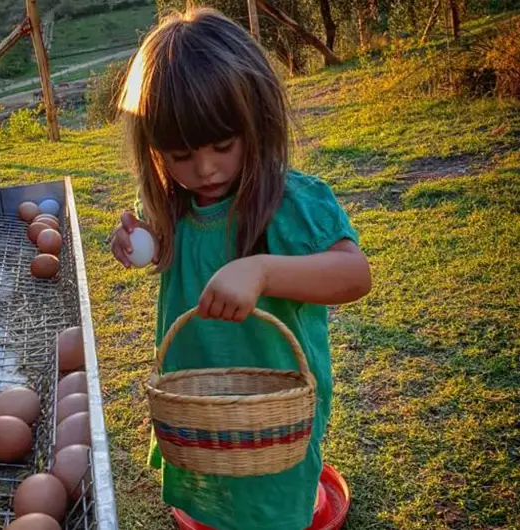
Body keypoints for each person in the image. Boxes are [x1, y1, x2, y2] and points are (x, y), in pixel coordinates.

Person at [110, 7, 372, 530]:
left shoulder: (290, 202)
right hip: (199, 400)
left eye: (222, 146)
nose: (204, 169)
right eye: (180, 155)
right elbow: (162, 249)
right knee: (212, 476)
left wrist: (263, 272)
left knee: (271, 492)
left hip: (274, 407)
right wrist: (136, 239)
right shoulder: (172, 205)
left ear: (257, 121)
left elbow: (354, 275)